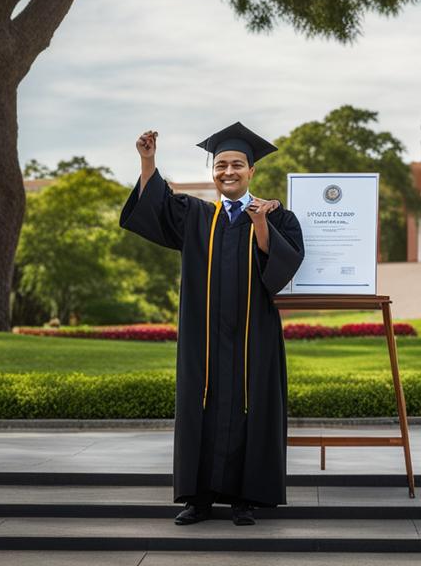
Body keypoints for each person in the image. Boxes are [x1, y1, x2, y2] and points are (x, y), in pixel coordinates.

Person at [120, 122, 305, 527]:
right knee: (200, 408)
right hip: (202, 340)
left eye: (237, 164)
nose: (228, 171)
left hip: (252, 337)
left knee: (250, 407)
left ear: (252, 170)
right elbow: (157, 208)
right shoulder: (196, 216)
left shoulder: (279, 217)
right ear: (213, 171)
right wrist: (148, 160)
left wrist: (260, 223)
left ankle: (246, 500)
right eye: (221, 164)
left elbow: (282, 271)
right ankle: (198, 500)